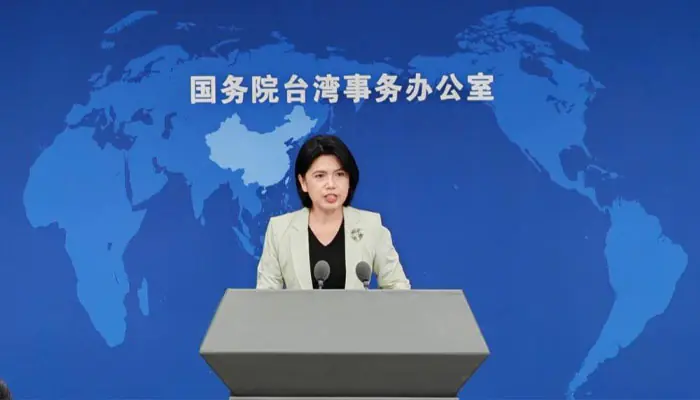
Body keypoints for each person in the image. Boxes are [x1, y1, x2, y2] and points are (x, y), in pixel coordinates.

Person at [256, 134, 411, 290]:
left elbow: (397, 286)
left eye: (340, 174)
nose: (331, 184)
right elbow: (266, 295)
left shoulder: (370, 225)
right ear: (303, 182)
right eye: (320, 176)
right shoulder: (280, 230)